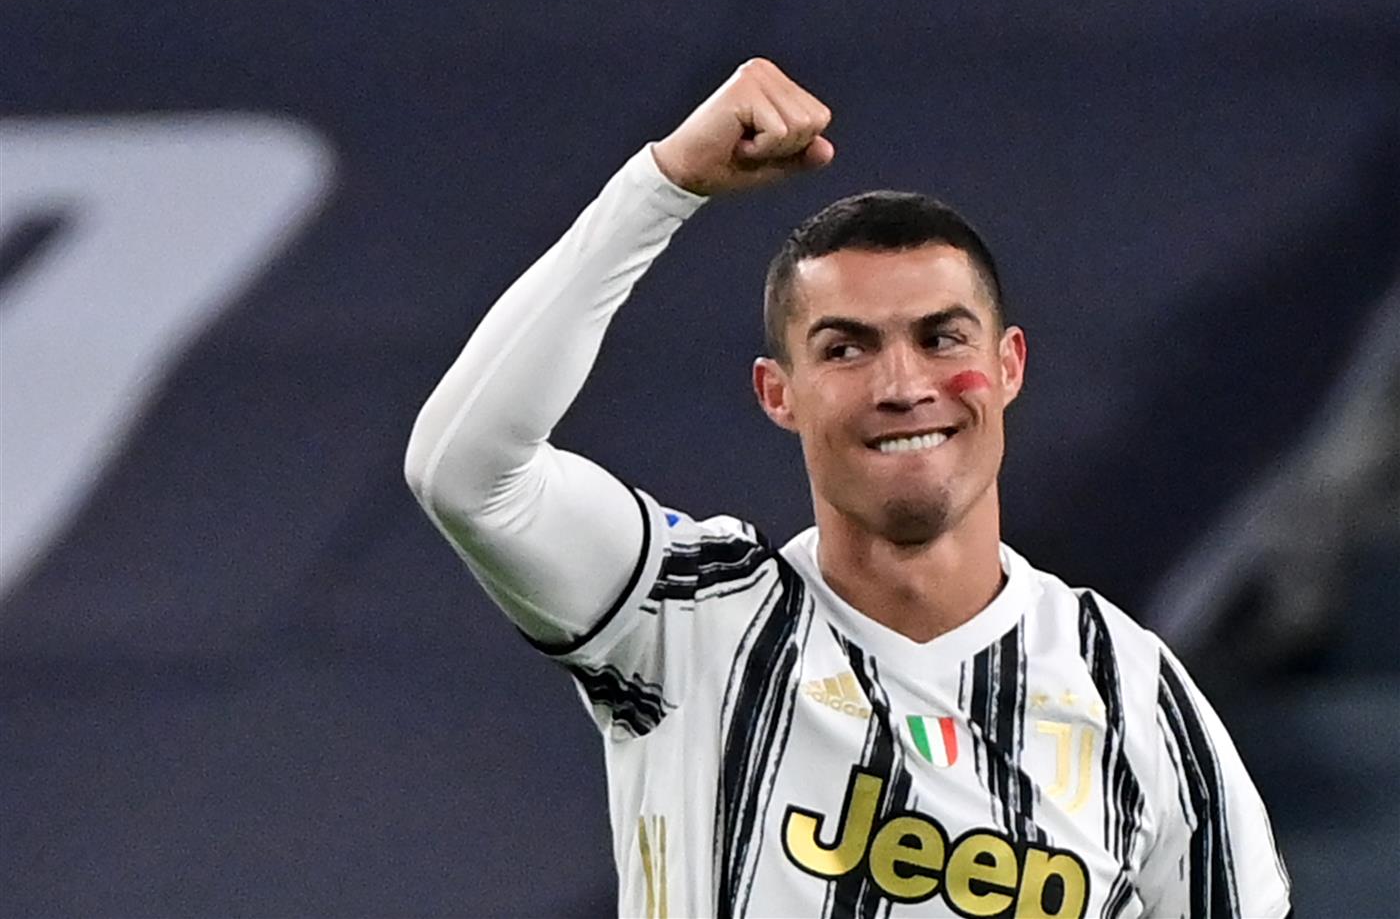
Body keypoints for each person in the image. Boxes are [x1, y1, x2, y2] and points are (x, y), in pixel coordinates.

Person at [403, 58, 1291, 919]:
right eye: (846, 347)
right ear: (776, 391)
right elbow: (466, 471)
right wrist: (664, 183)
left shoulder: (1133, 694)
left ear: (1009, 365)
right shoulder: (691, 617)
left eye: (942, 338)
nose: (902, 384)